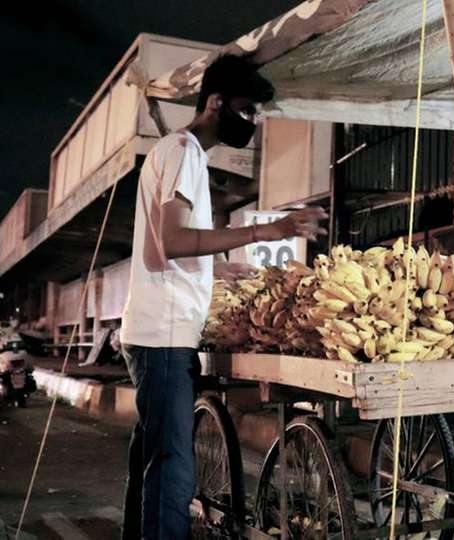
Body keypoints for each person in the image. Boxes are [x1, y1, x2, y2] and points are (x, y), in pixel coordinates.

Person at [119, 55, 327, 540]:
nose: (251, 121)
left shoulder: (174, 152)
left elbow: (168, 244)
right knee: (172, 470)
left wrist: (214, 266)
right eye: (246, 109)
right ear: (215, 103)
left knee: (152, 461)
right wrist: (263, 230)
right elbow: (171, 240)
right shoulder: (184, 151)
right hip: (164, 338)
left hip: (156, 332)